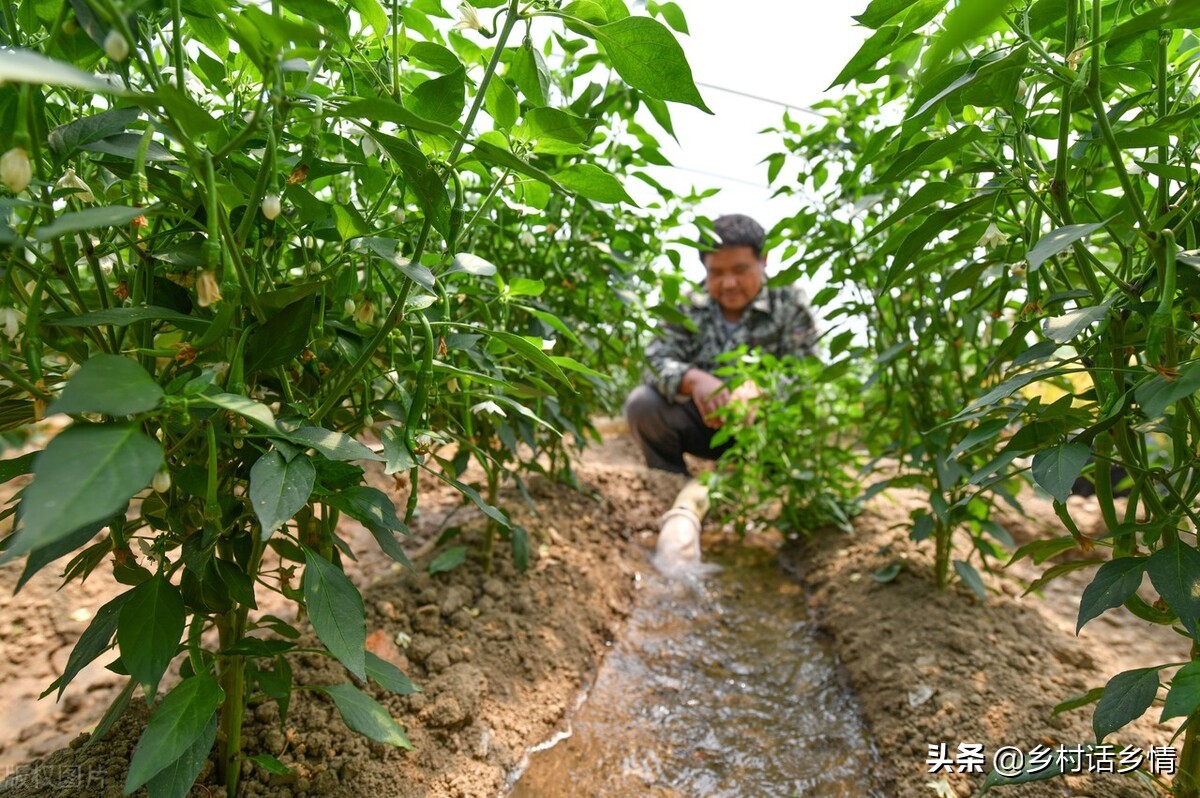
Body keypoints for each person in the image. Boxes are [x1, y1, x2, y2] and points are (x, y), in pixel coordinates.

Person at [624, 214, 818, 474]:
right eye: (716, 272)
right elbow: (654, 361)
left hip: (767, 428)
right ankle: (668, 482)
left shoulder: (790, 302)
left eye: (740, 270)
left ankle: (774, 481)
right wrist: (692, 380)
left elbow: (807, 371)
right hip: (704, 426)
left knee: (803, 416)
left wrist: (762, 390)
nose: (728, 284)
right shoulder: (687, 305)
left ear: (763, 260)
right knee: (643, 404)